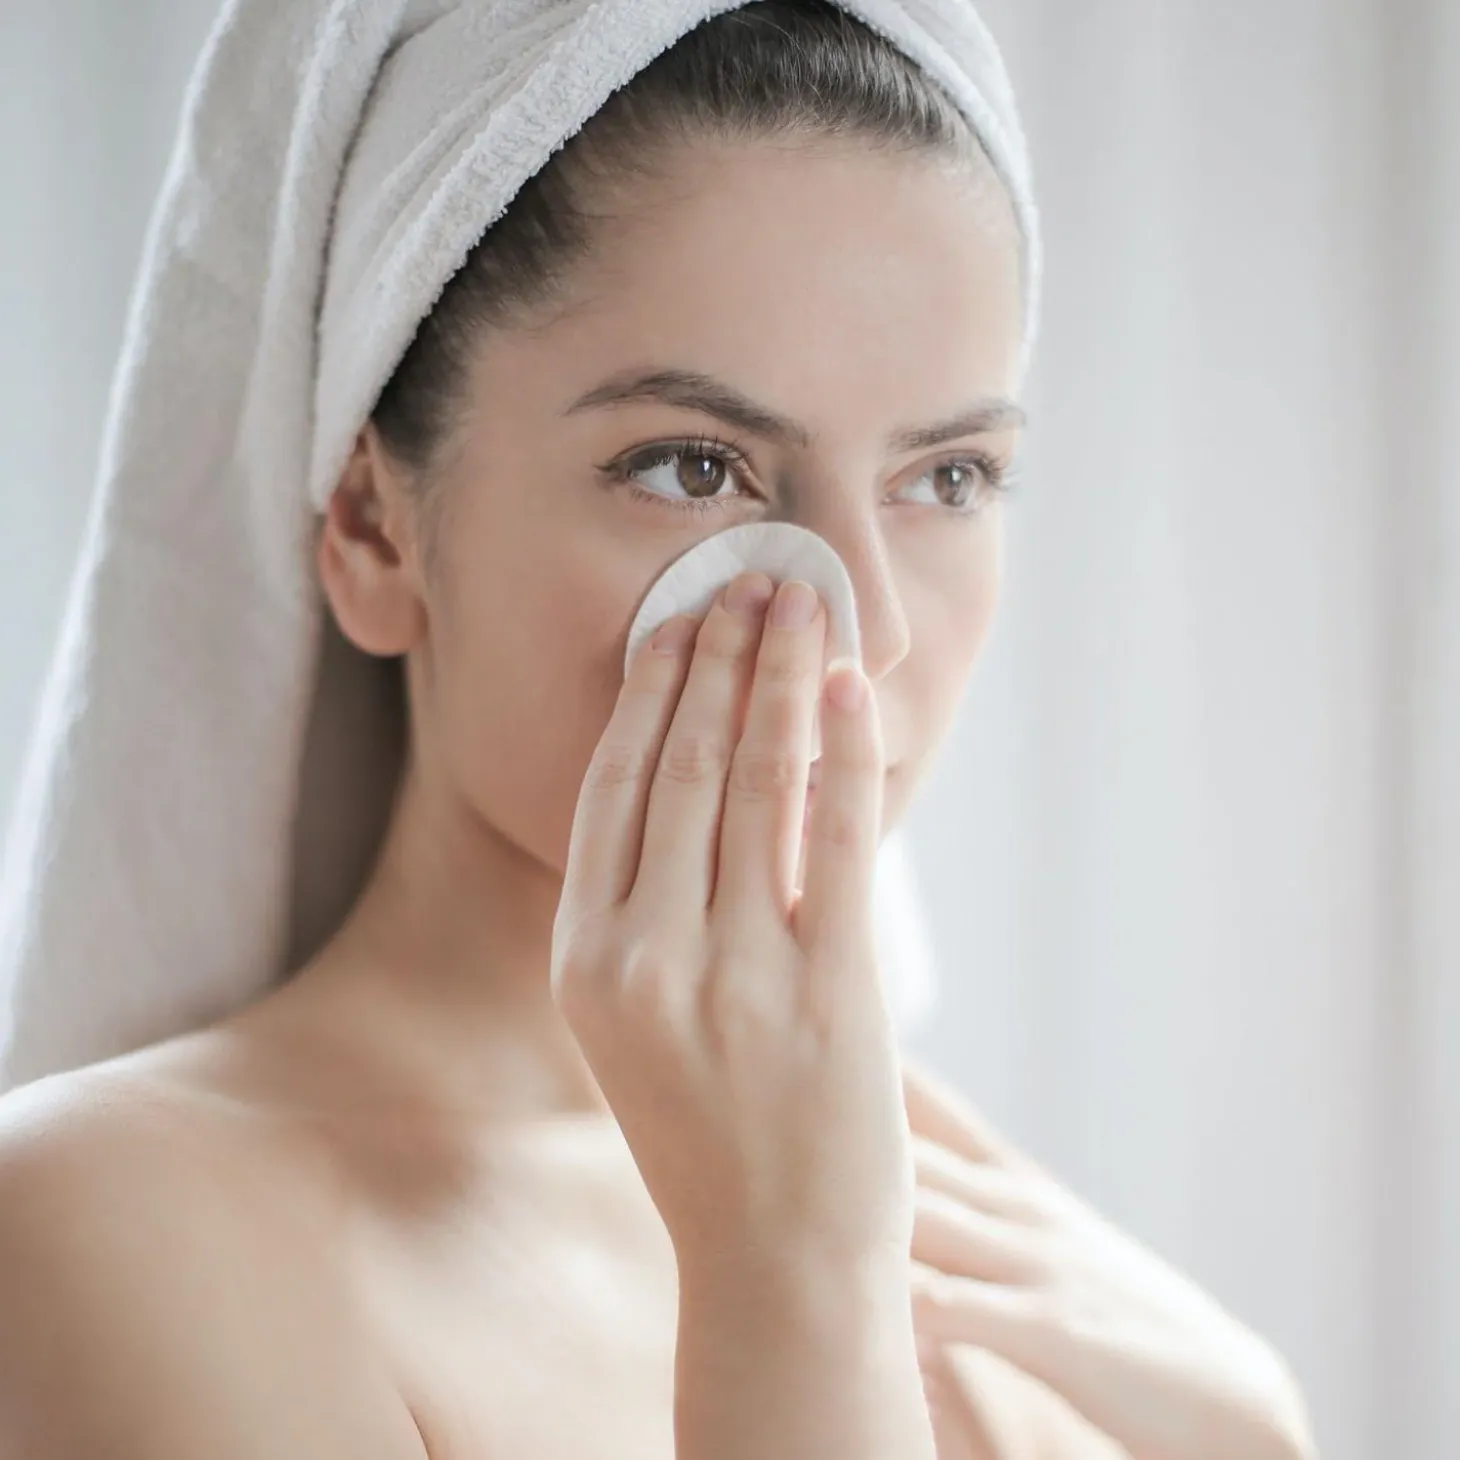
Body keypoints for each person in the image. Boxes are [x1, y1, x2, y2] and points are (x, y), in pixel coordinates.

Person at [0, 3, 1318, 1457]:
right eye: (694, 468)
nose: (862, 628)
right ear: (375, 525)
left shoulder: (965, 1219)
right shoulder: (113, 1227)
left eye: (948, 478)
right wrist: (790, 1288)